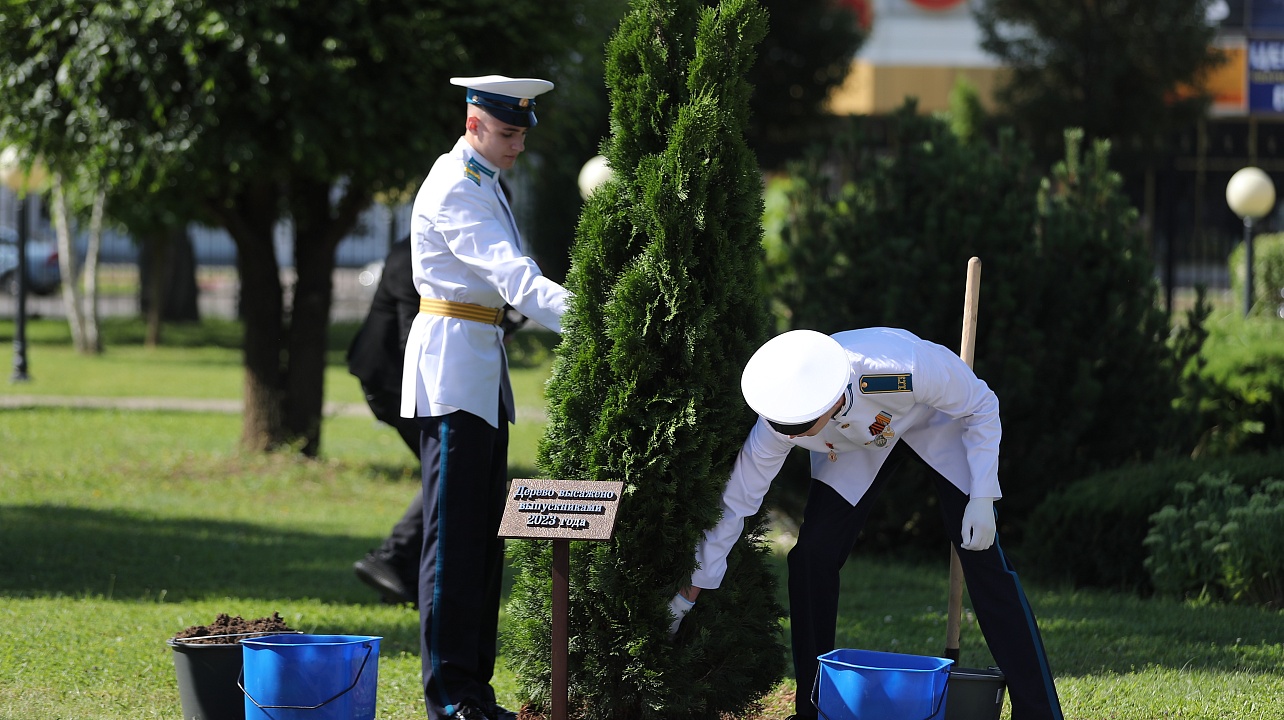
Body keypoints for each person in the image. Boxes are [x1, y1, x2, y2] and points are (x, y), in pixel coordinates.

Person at [667, 328, 1064, 720]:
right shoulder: (780, 418)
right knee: (811, 558)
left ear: (831, 398)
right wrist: (689, 593)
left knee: (983, 558)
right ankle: (813, 708)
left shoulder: (902, 366)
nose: (789, 435)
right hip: (856, 447)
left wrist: (982, 494)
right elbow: (737, 501)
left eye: (800, 427)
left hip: (933, 421)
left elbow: (981, 403)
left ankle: (1039, 712)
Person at [400, 75, 570, 720]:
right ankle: (450, 696)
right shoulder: (456, 187)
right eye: (506, 133)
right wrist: (600, 318)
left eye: (522, 134)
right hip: (453, 372)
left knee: (479, 540)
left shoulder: (482, 181)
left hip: (476, 366)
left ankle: (472, 689)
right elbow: (514, 279)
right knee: (453, 542)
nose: (517, 145)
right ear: (474, 124)